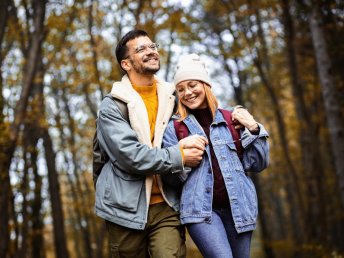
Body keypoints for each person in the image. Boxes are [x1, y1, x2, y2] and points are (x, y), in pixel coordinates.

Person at [95, 30, 208, 258]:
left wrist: (239, 118)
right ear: (126, 64)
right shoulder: (112, 106)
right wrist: (179, 156)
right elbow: (131, 156)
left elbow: (208, 119)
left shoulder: (173, 97)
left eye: (152, 46)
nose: (151, 51)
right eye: (141, 49)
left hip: (168, 203)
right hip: (124, 208)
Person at [162, 53, 270, 258]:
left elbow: (258, 163)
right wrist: (183, 156)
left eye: (192, 85)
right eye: (181, 89)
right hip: (201, 213)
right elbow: (171, 180)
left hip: (239, 208)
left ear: (205, 85)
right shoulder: (175, 129)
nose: (187, 93)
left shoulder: (232, 119)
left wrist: (254, 128)